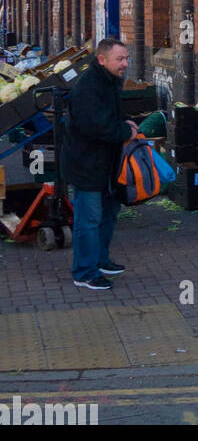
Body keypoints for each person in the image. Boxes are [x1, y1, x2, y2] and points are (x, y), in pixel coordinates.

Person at [62, 38, 138, 290]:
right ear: (102, 60)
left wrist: (125, 121)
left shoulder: (109, 81)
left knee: (108, 214)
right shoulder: (89, 87)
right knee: (89, 219)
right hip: (87, 165)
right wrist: (125, 131)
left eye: (126, 58)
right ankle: (84, 272)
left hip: (107, 164)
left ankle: (100, 260)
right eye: (120, 59)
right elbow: (96, 127)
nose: (125, 64)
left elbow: (111, 115)